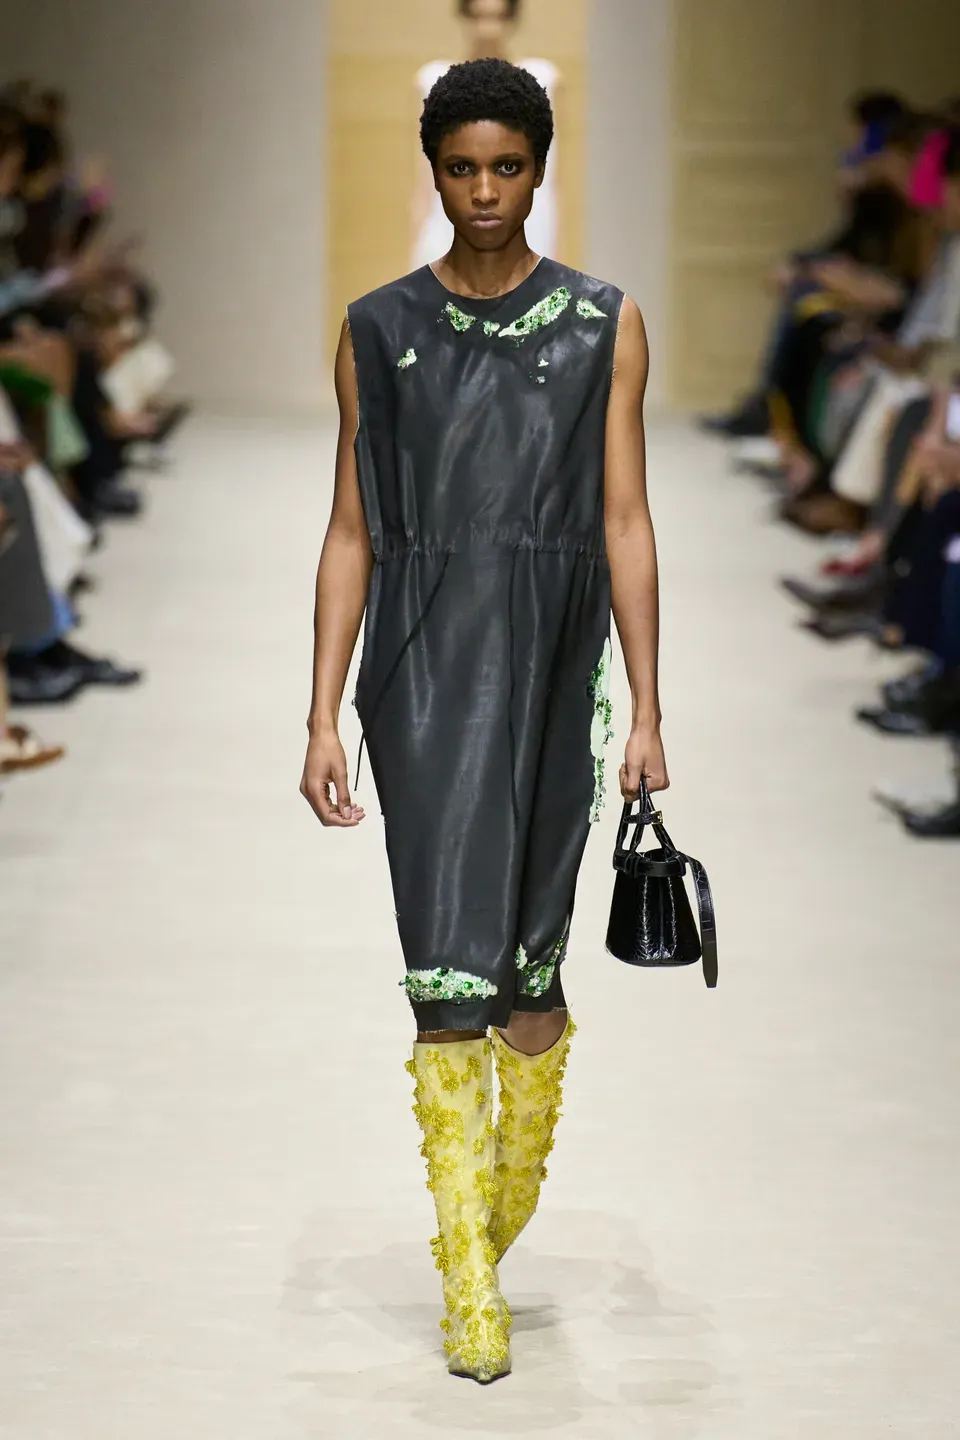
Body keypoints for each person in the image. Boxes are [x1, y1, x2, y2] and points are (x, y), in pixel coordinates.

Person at [300, 58, 666, 1383]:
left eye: (507, 167)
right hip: (421, 668)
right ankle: (471, 1283)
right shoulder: (376, 328)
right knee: (448, 977)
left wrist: (649, 708)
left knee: (531, 986)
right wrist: (322, 711)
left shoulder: (603, 324)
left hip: (557, 666)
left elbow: (624, 519)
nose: (485, 192)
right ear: (435, 174)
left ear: (540, 168)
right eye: (462, 169)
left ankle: (493, 1215)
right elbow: (350, 527)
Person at [411, 0, 560, 268]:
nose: (487, 29)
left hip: (528, 224)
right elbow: (424, 179)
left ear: (512, 19)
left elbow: (554, 180)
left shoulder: (543, 80)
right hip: (450, 224)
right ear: (464, 17)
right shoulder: (434, 82)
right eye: (478, 17)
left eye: (497, 17)